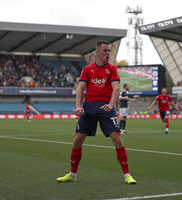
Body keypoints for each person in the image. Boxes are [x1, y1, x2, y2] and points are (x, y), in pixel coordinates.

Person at [56, 41, 136, 184]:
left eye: (109, 51)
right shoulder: (87, 69)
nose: (107, 53)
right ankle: (72, 174)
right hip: (89, 107)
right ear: (97, 52)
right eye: (105, 50)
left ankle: (127, 175)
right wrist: (77, 106)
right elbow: (80, 89)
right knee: (77, 140)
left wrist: (111, 105)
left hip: (106, 107)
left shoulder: (112, 69)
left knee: (117, 138)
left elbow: (116, 88)